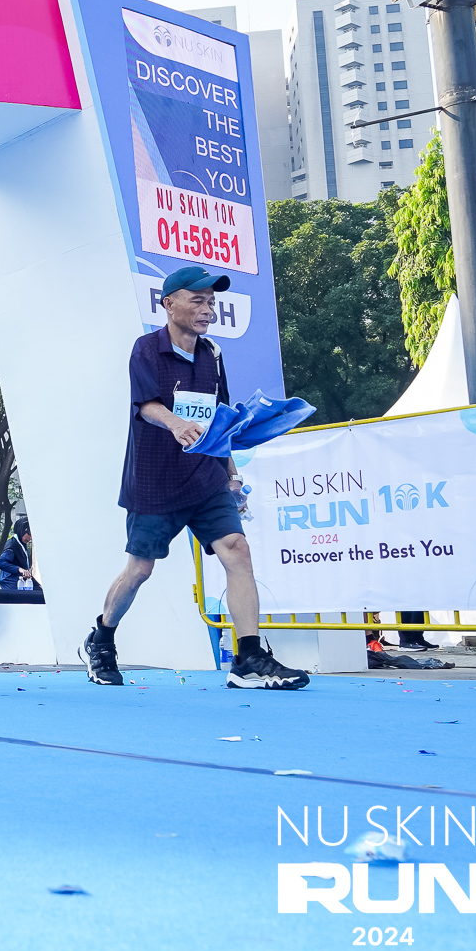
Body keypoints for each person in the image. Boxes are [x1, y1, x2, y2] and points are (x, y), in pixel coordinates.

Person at [85, 266, 309, 691]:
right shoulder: (146, 349)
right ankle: (102, 638)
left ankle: (248, 658)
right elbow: (145, 404)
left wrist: (232, 475)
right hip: (154, 480)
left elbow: (221, 420)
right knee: (140, 570)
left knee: (237, 550)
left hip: (206, 478)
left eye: (211, 302)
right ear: (168, 304)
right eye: (198, 300)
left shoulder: (213, 354)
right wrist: (175, 423)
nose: (208, 309)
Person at [0, 516, 39, 591]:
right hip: (10, 581)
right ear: (22, 530)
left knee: (40, 591)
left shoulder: (21, 544)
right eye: (29, 534)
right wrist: (20, 570)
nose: (30, 538)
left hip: (19, 580)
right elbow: (0, 562)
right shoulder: (13, 545)